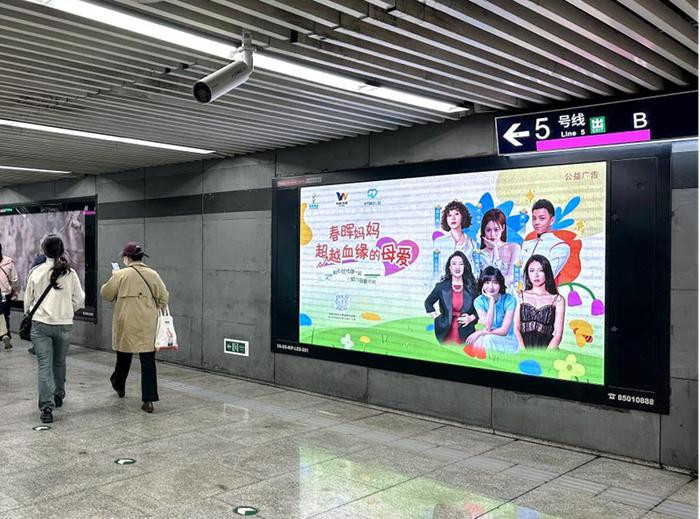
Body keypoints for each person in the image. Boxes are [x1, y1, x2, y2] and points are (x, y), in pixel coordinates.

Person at [100, 242, 169, 413]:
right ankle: (149, 400)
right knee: (148, 361)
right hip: (147, 324)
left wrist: (114, 278)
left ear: (127, 258)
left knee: (123, 357)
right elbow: (164, 298)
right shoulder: (153, 274)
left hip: (126, 323)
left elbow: (106, 294)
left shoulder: (120, 275)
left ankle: (119, 385)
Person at [24, 235, 84, 423]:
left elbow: (28, 300)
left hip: (41, 325)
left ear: (44, 250)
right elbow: (79, 299)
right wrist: (67, 310)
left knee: (44, 365)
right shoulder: (70, 273)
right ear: (61, 250)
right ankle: (58, 394)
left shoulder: (36, 272)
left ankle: (46, 408)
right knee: (59, 362)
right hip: (64, 324)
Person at [424, 251, 478, 344]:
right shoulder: (441, 286)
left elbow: (480, 309)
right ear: (449, 268)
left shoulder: (472, 287)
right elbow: (428, 303)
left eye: (461, 264)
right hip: (446, 331)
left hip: (467, 331)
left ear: (465, 267)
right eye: (454, 264)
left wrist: (471, 318)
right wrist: (437, 319)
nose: (457, 267)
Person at [514, 255, 566, 350]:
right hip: (522, 349)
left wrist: (544, 356)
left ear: (547, 272)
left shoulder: (558, 299)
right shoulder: (520, 296)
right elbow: (515, 329)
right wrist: (523, 353)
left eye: (541, 270)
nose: (536, 275)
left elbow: (558, 335)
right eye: (532, 271)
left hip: (547, 350)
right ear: (527, 273)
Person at [465, 266, 519, 353]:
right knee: (476, 343)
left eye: (495, 282)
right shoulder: (479, 301)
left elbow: (504, 331)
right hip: (489, 337)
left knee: (487, 339)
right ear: (482, 284)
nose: (491, 287)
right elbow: (488, 327)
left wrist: (480, 332)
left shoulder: (509, 300)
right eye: (487, 282)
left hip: (508, 340)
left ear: (500, 284)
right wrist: (491, 302)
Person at [520, 199, 570, 280]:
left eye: (542, 218)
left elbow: (547, 277)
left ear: (552, 220)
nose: (536, 222)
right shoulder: (526, 244)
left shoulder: (560, 246)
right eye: (534, 218)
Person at [477, 208, 521, 288]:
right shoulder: (480, 253)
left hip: (508, 292)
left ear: (503, 228)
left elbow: (513, 276)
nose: (492, 234)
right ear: (484, 230)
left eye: (496, 230)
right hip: (487, 292)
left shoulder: (513, 248)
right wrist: (494, 249)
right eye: (488, 230)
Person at [433, 200, 477, 273]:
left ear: (463, 216)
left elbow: (475, 270)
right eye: (449, 215)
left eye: (456, 214)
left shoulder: (472, 243)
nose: (453, 218)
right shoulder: (439, 242)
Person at [0, 245, 19, 349]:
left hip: (3, 293)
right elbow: (14, 279)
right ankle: (5, 334)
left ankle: (4, 334)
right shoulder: (8, 262)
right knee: (4, 314)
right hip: (4, 293)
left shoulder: (9, 262)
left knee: (1, 314)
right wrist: (14, 289)